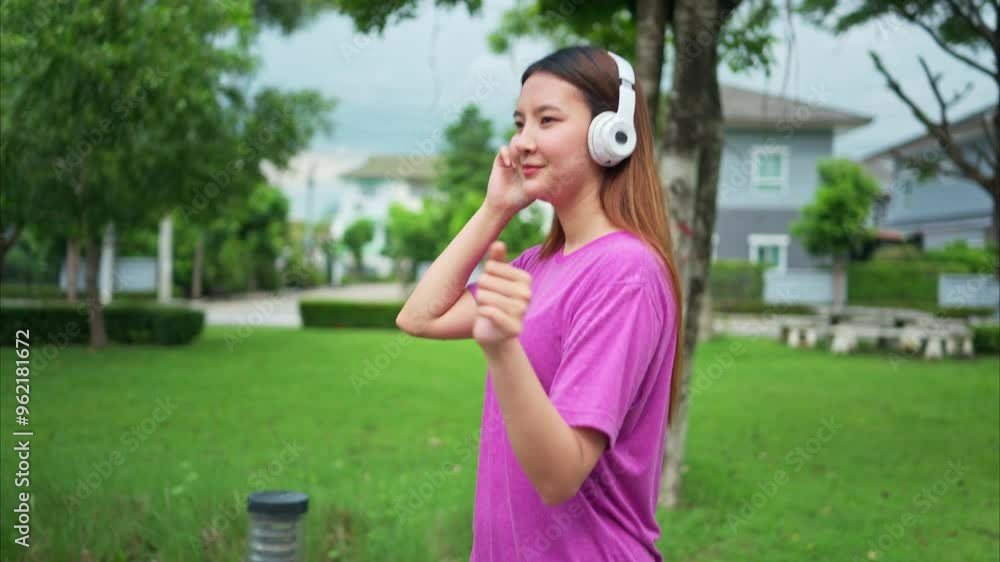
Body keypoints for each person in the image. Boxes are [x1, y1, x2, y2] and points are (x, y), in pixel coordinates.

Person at [396, 45, 685, 561]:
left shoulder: (625, 272)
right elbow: (419, 316)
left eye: (546, 120)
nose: (521, 142)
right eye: (519, 122)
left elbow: (558, 476)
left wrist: (502, 349)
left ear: (610, 136)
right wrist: (496, 208)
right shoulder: (537, 264)